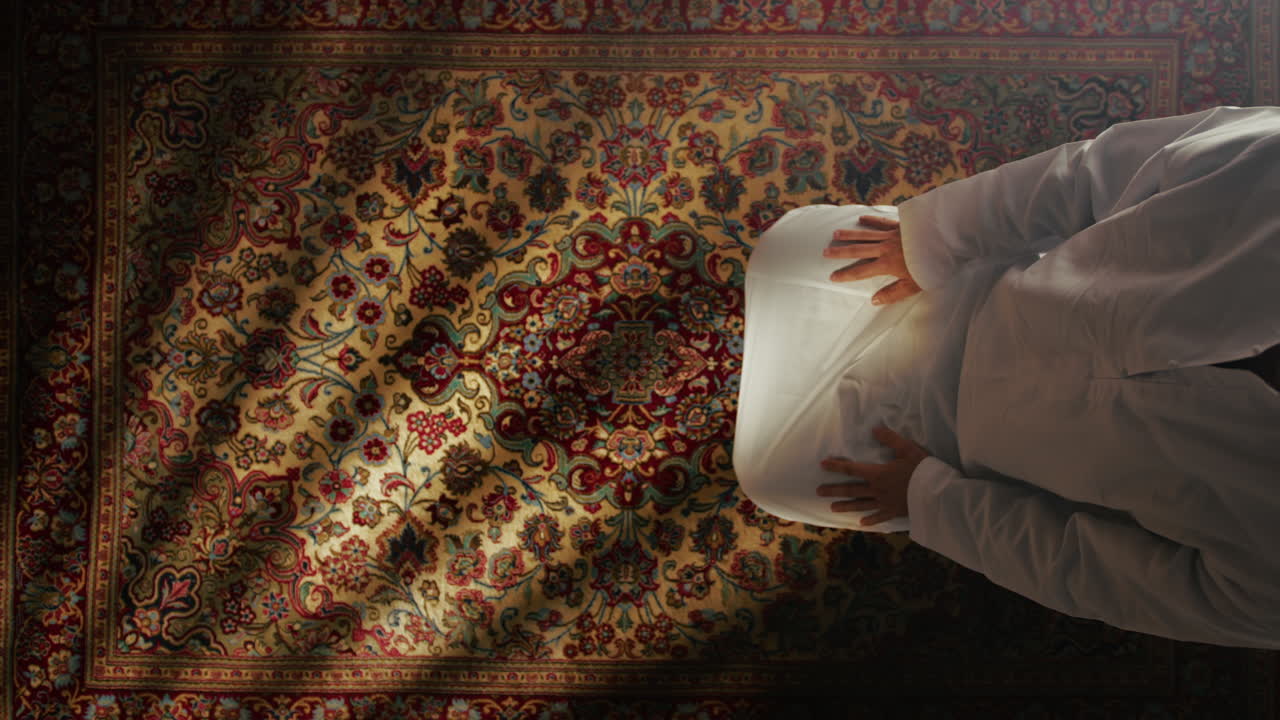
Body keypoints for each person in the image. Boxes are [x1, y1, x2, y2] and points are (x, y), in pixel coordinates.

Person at [732, 105, 1280, 648]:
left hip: (945, 447)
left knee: (769, 477)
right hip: (968, 293)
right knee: (786, 252)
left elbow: (1095, 576)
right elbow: (1091, 175)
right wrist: (932, 242)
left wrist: (933, 503)